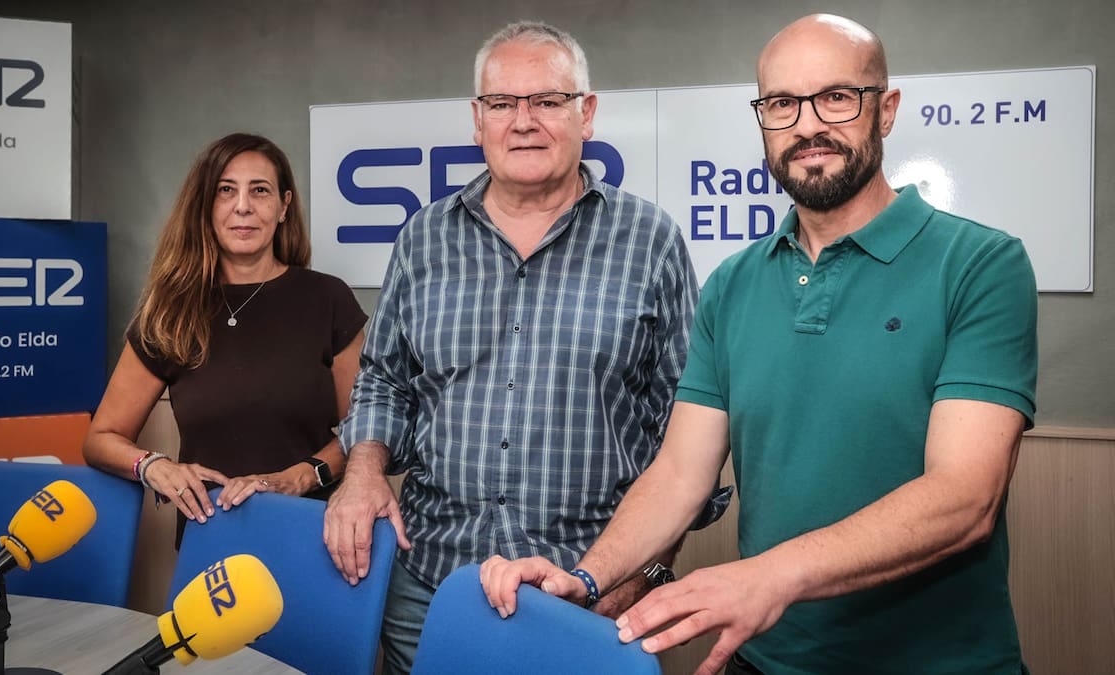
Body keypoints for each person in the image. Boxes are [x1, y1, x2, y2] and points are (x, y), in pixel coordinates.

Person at [480, 13, 1038, 675]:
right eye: (780, 103)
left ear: (885, 110)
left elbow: (964, 498)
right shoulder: (731, 285)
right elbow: (680, 475)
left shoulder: (981, 265)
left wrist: (768, 575)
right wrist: (590, 577)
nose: (806, 125)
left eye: (835, 96)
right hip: (761, 660)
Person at [324, 21, 715, 675]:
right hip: (429, 586)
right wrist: (362, 473)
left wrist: (636, 576)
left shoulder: (651, 241)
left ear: (586, 113)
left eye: (547, 100)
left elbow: (686, 442)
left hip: (588, 593)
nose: (523, 121)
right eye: (503, 103)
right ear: (477, 120)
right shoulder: (423, 238)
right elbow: (384, 377)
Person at [84, 133, 365, 545]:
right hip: (211, 541)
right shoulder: (171, 311)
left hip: (314, 536)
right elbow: (100, 439)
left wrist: (300, 477)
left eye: (260, 191)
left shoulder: (327, 299)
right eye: (225, 191)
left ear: (284, 206)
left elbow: (364, 432)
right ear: (206, 206)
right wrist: (154, 465)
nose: (243, 206)